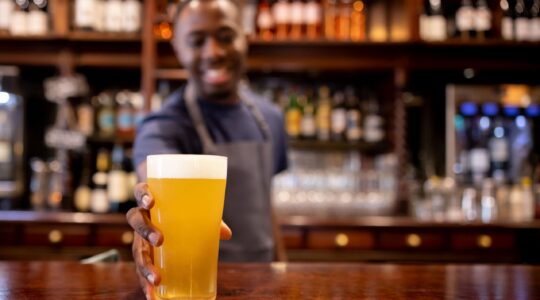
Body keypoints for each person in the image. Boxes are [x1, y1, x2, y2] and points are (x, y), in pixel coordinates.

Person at [126, 0, 288, 298]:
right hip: (200, 288)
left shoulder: (271, 118)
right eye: (197, 41)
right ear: (177, 48)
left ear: (245, 37)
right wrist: (150, 214)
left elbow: (266, 202)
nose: (214, 52)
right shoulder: (163, 125)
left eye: (226, 37)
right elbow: (153, 182)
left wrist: (283, 269)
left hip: (264, 285)